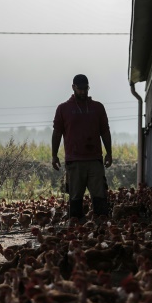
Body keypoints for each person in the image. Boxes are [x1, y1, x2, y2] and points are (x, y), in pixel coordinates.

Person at [51, 74, 112, 221]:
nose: (83, 92)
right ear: (73, 88)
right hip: (74, 161)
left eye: (86, 88)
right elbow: (57, 133)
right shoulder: (63, 109)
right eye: (80, 89)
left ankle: (101, 228)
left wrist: (109, 153)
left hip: (95, 161)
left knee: (100, 196)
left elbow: (105, 131)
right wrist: (54, 155)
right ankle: (76, 232)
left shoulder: (97, 108)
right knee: (75, 197)